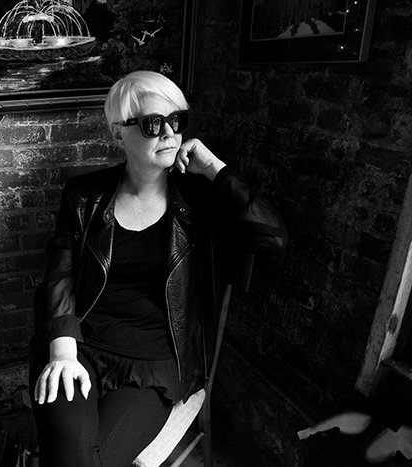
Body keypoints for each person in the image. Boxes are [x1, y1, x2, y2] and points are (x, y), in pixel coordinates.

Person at [30, 70, 288, 467]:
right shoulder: (84, 196)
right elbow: (59, 274)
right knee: (70, 454)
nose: (169, 133)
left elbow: (273, 238)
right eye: (153, 123)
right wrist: (63, 350)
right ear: (118, 132)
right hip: (77, 346)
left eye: (177, 120)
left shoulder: (200, 200)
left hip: (154, 363)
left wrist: (214, 167)